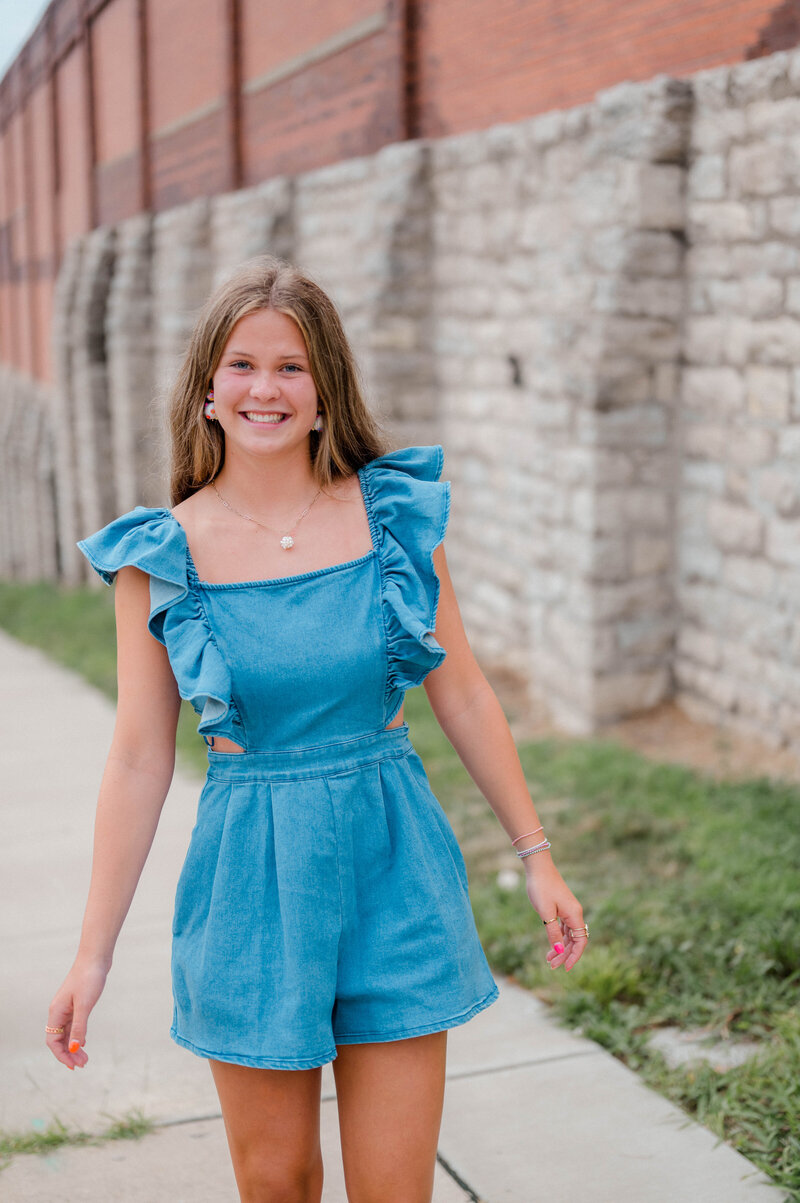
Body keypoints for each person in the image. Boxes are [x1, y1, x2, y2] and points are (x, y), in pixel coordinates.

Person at [46, 256, 588, 1203]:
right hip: (250, 882)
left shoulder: (393, 517)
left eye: (292, 366)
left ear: (325, 386)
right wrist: (91, 956)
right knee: (279, 1181)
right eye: (243, 365)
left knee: (394, 1189)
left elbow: (460, 693)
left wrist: (535, 851)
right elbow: (137, 757)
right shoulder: (159, 555)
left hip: (394, 866)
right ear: (208, 389)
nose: (266, 387)